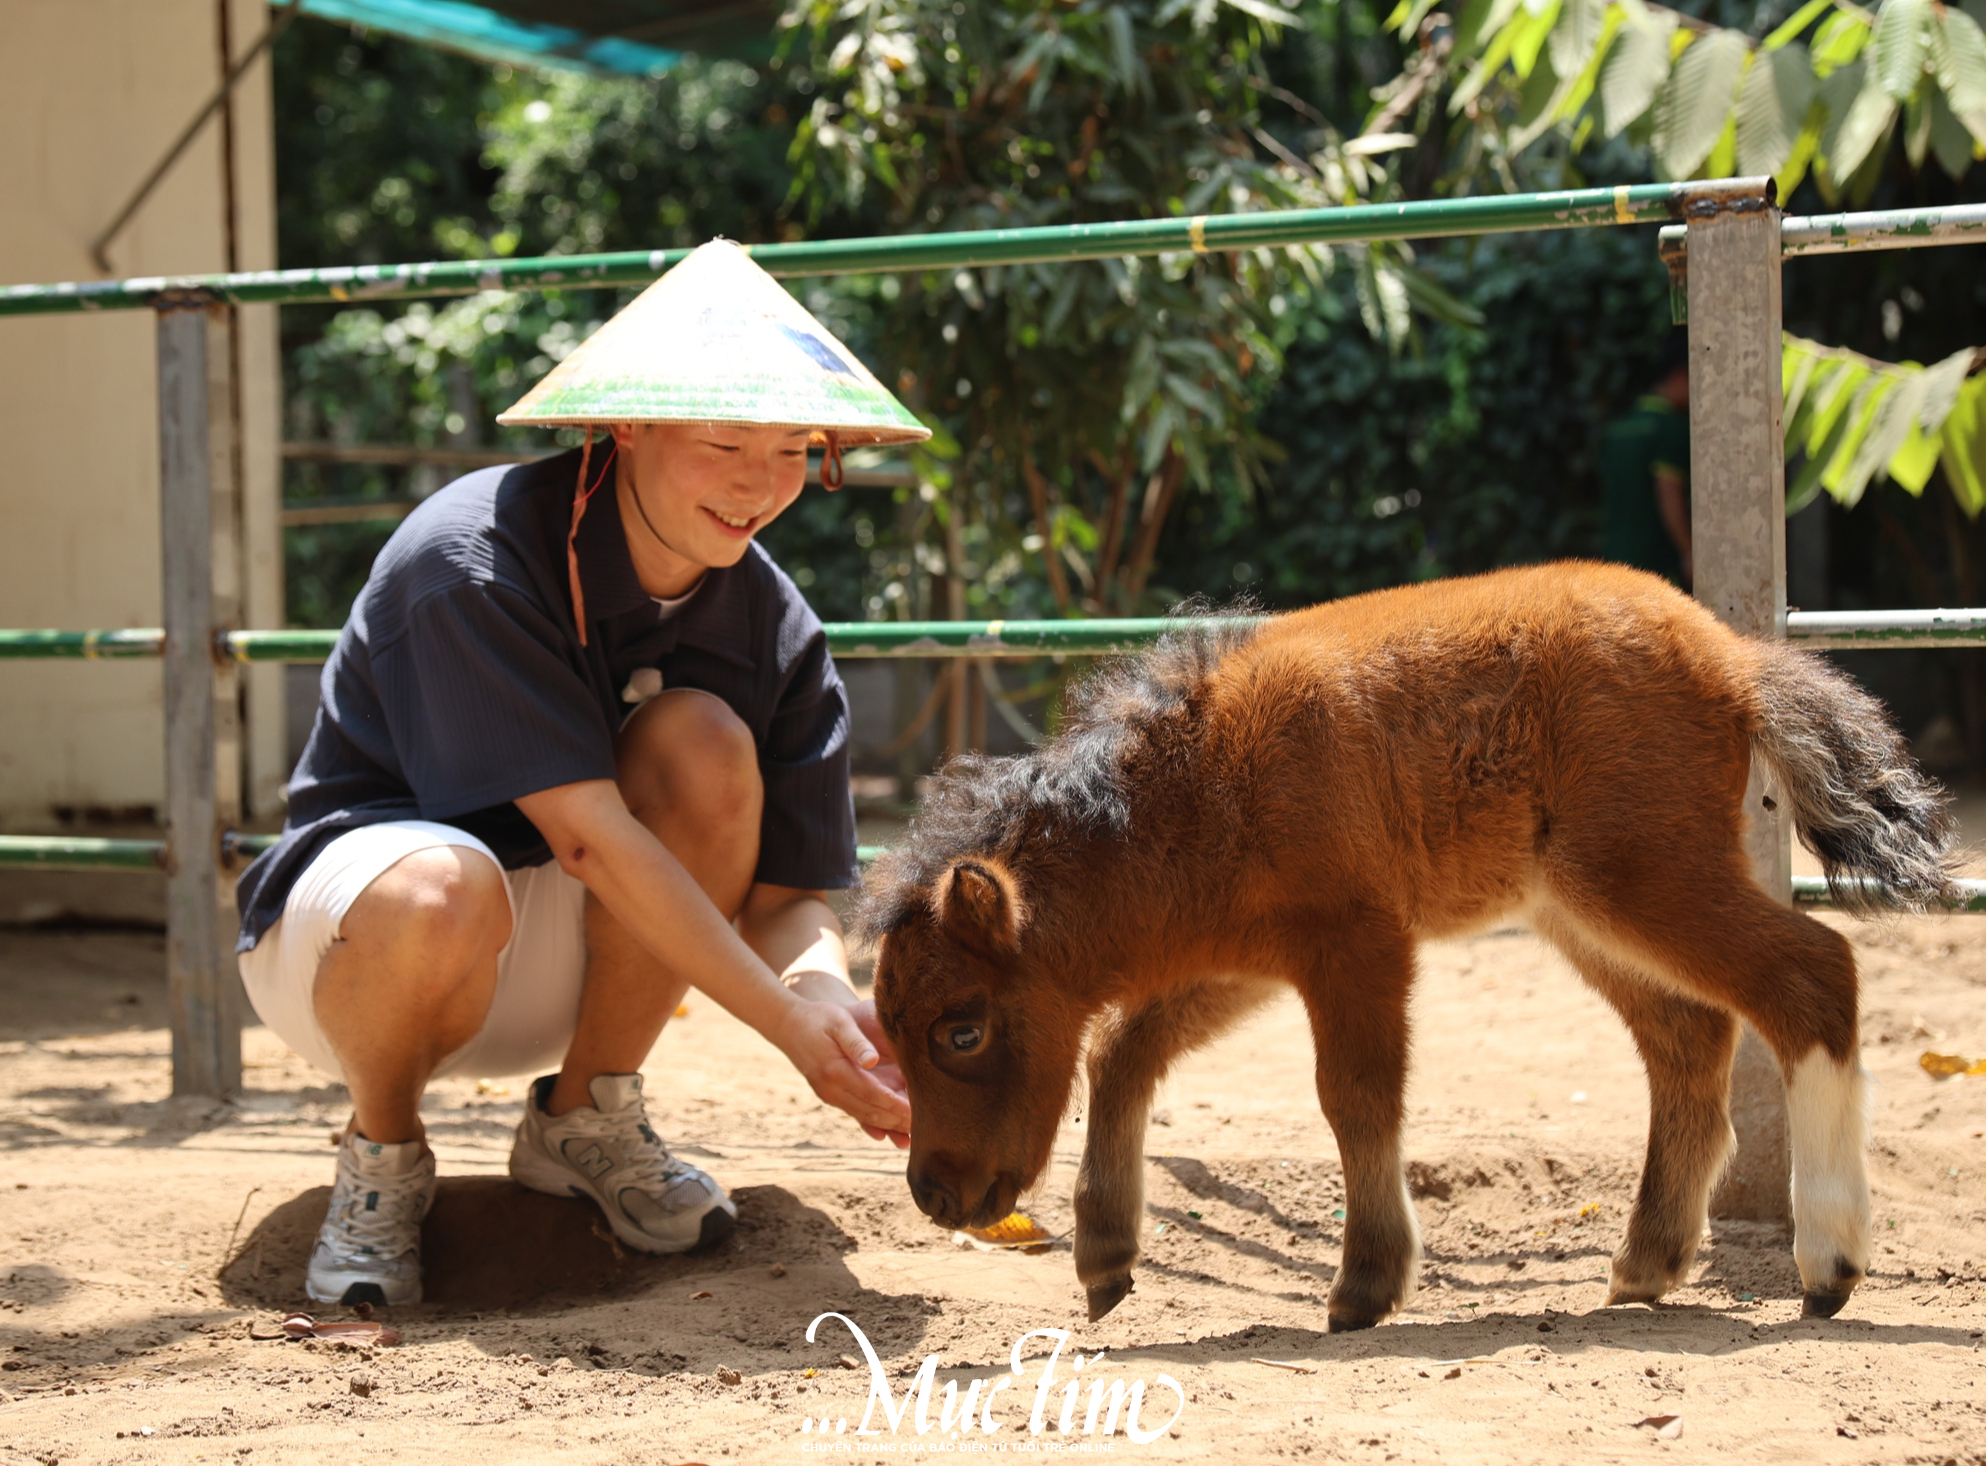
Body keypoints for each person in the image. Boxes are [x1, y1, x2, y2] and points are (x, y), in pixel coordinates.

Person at [235, 242, 926, 1307]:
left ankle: (585, 1117)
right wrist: (787, 1030)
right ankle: (381, 1157)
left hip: (579, 955)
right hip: (358, 953)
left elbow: (788, 899)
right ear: (630, 426)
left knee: (703, 742)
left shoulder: (772, 619)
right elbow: (589, 838)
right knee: (444, 882)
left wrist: (830, 999)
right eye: (724, 440)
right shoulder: (472, 557)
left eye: (795, 447)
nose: (760, 482)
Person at [1600, 332, 1692, 590]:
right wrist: (1688, 552)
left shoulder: (1620, 429)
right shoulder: (1671, 428)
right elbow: (1669, 492)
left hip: (1615, 565)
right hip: (1657, 568)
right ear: (1681, 374)